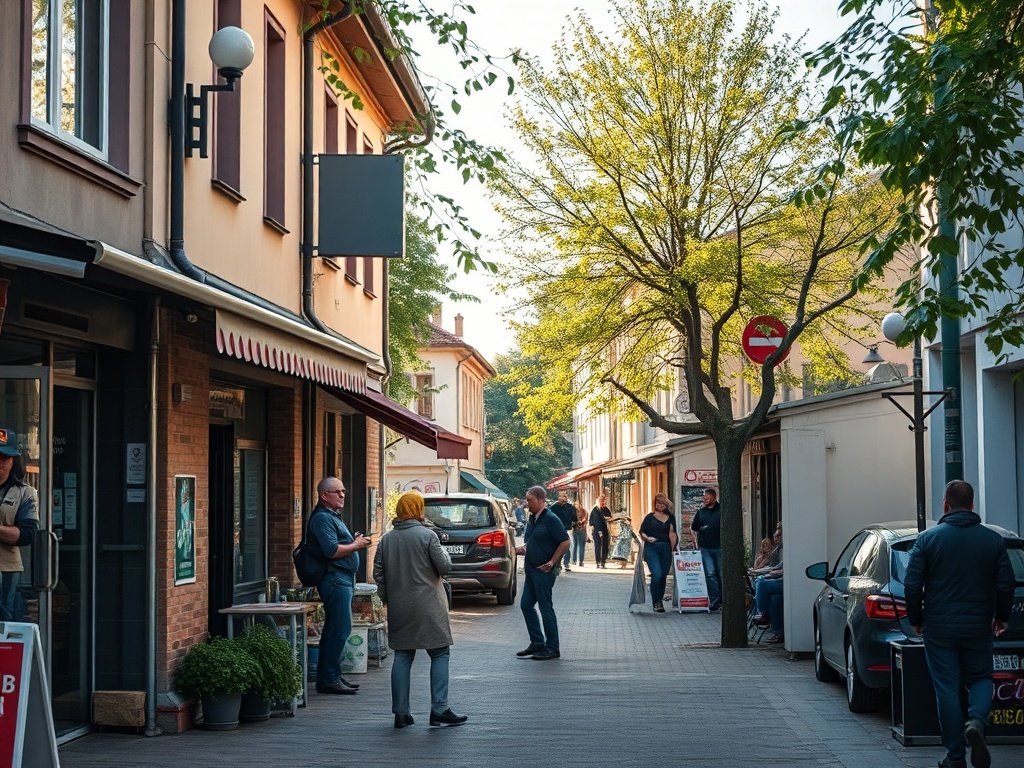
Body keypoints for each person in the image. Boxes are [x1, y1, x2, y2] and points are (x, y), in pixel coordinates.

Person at [904, 480, 1014, 768]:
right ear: (972, 505)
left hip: (939, 627)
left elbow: (912, 585)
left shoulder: (927, 540)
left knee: (946, 687)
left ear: (945, 504)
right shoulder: (992, 541)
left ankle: (955, 756)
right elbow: (1006, 583)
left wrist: (917, 619)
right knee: (980, 677)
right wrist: (1002, 616)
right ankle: (976, 721)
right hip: (978, 625)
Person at [373, 492, 468, 729]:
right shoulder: (428, 536)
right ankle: (439, 709)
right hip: (429, 607)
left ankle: (400, 712)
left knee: (402, 655)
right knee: (440, 653)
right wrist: (443, 550)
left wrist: (385, 599)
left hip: (400, 606)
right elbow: (444, 567)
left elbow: (378, 574)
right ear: (417, 509)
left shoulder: (386, 540)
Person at [307, 477, 370, 695]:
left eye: (343, 491)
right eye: (337, 492)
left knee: (336, 628)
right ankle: (329, 678)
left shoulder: (332, 515)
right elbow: (331, 550)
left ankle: (330, 675)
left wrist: (353, 542)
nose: (342, 495)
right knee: (340, 628)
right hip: (334, 578)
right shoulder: (322, 518)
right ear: (324, 495)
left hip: (342, 578)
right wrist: (356, 545)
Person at [514, 485, 570, 660]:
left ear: (540, 500)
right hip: (531, 569)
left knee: (545, 607)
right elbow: (534, 541)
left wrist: (552, 562)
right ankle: (537, 642)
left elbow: (565, 542)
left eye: (529, 500)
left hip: (543, 571)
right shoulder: (533, 518)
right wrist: (523, 549)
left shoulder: (551, 518)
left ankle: (552, 647)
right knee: (526, 605)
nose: (527, 503)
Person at [0, 428, 38, 622]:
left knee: (5, 624)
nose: (0, 462)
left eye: (5, 458)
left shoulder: (25, 493)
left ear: (13, 460)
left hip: (6, 570)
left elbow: (27, 535)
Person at [639, 493, 678, 612]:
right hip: (652, 548)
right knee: (657, 574)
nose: (660, 505)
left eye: (663, 503)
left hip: (666, 548)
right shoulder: (649, 517)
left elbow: (672, 533)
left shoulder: (670, 517)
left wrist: (673, 549)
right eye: (658, 503)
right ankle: (656, 601)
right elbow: (642, 532)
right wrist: (647, 538)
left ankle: (659, 600)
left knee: (663, 575)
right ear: (655, 504)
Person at [750, 523, 784, 643]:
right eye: (775, 535)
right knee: (775, 599)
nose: (776, 537)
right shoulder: (777, 550)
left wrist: (770, 573)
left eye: (779, 535)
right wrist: (757, 571)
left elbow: (781, 568)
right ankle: (778, 631)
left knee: (761, 583)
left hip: (785, 582)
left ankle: (763, 613)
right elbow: (771, 566)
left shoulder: (785, 550)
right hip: (778, 580)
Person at [690, 488, 722, 611]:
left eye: (707, 498)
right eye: (704, 498)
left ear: (714, 498)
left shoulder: (721, 511)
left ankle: (723, 599)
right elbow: (694, 527)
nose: (705, 500)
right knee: (710, 573)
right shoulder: (701, 512)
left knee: (721, 574)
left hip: (719, 547)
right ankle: (715, 601)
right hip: (705, 548)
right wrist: (695, 543)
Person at [550, 491, 576, 571]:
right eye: (560, 496)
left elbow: (574, 518)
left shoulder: (570, 507)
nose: (562, 498)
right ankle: (558, 564)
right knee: (557, 547)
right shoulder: (554, 507)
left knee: (566, 546)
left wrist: (574, 524)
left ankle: (566, 563)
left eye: (564, 496)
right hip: (557, 529)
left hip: (567, 528)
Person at [589, 495, 613, 568]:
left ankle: (603, 561)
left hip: (604, 529)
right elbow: (591, 521)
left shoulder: (606, 509)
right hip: (596, 530)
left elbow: (610, 517)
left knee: (605, 546)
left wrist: (608, 518)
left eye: (605, 501)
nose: (604, 503)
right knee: (598, 546)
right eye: (603, 501)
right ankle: (598, 562)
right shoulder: (595, 510)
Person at [571, 502, 588, 567]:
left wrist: (581, 522)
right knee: (577, 546)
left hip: (580, 530)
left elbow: (585, 520)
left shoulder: (583, 511)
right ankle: (578, 561)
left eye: (576, 504)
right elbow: (585, 520)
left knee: (578, 546)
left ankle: (577, 561)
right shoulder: (582, 511)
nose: (575, 505)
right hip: (577, 530)